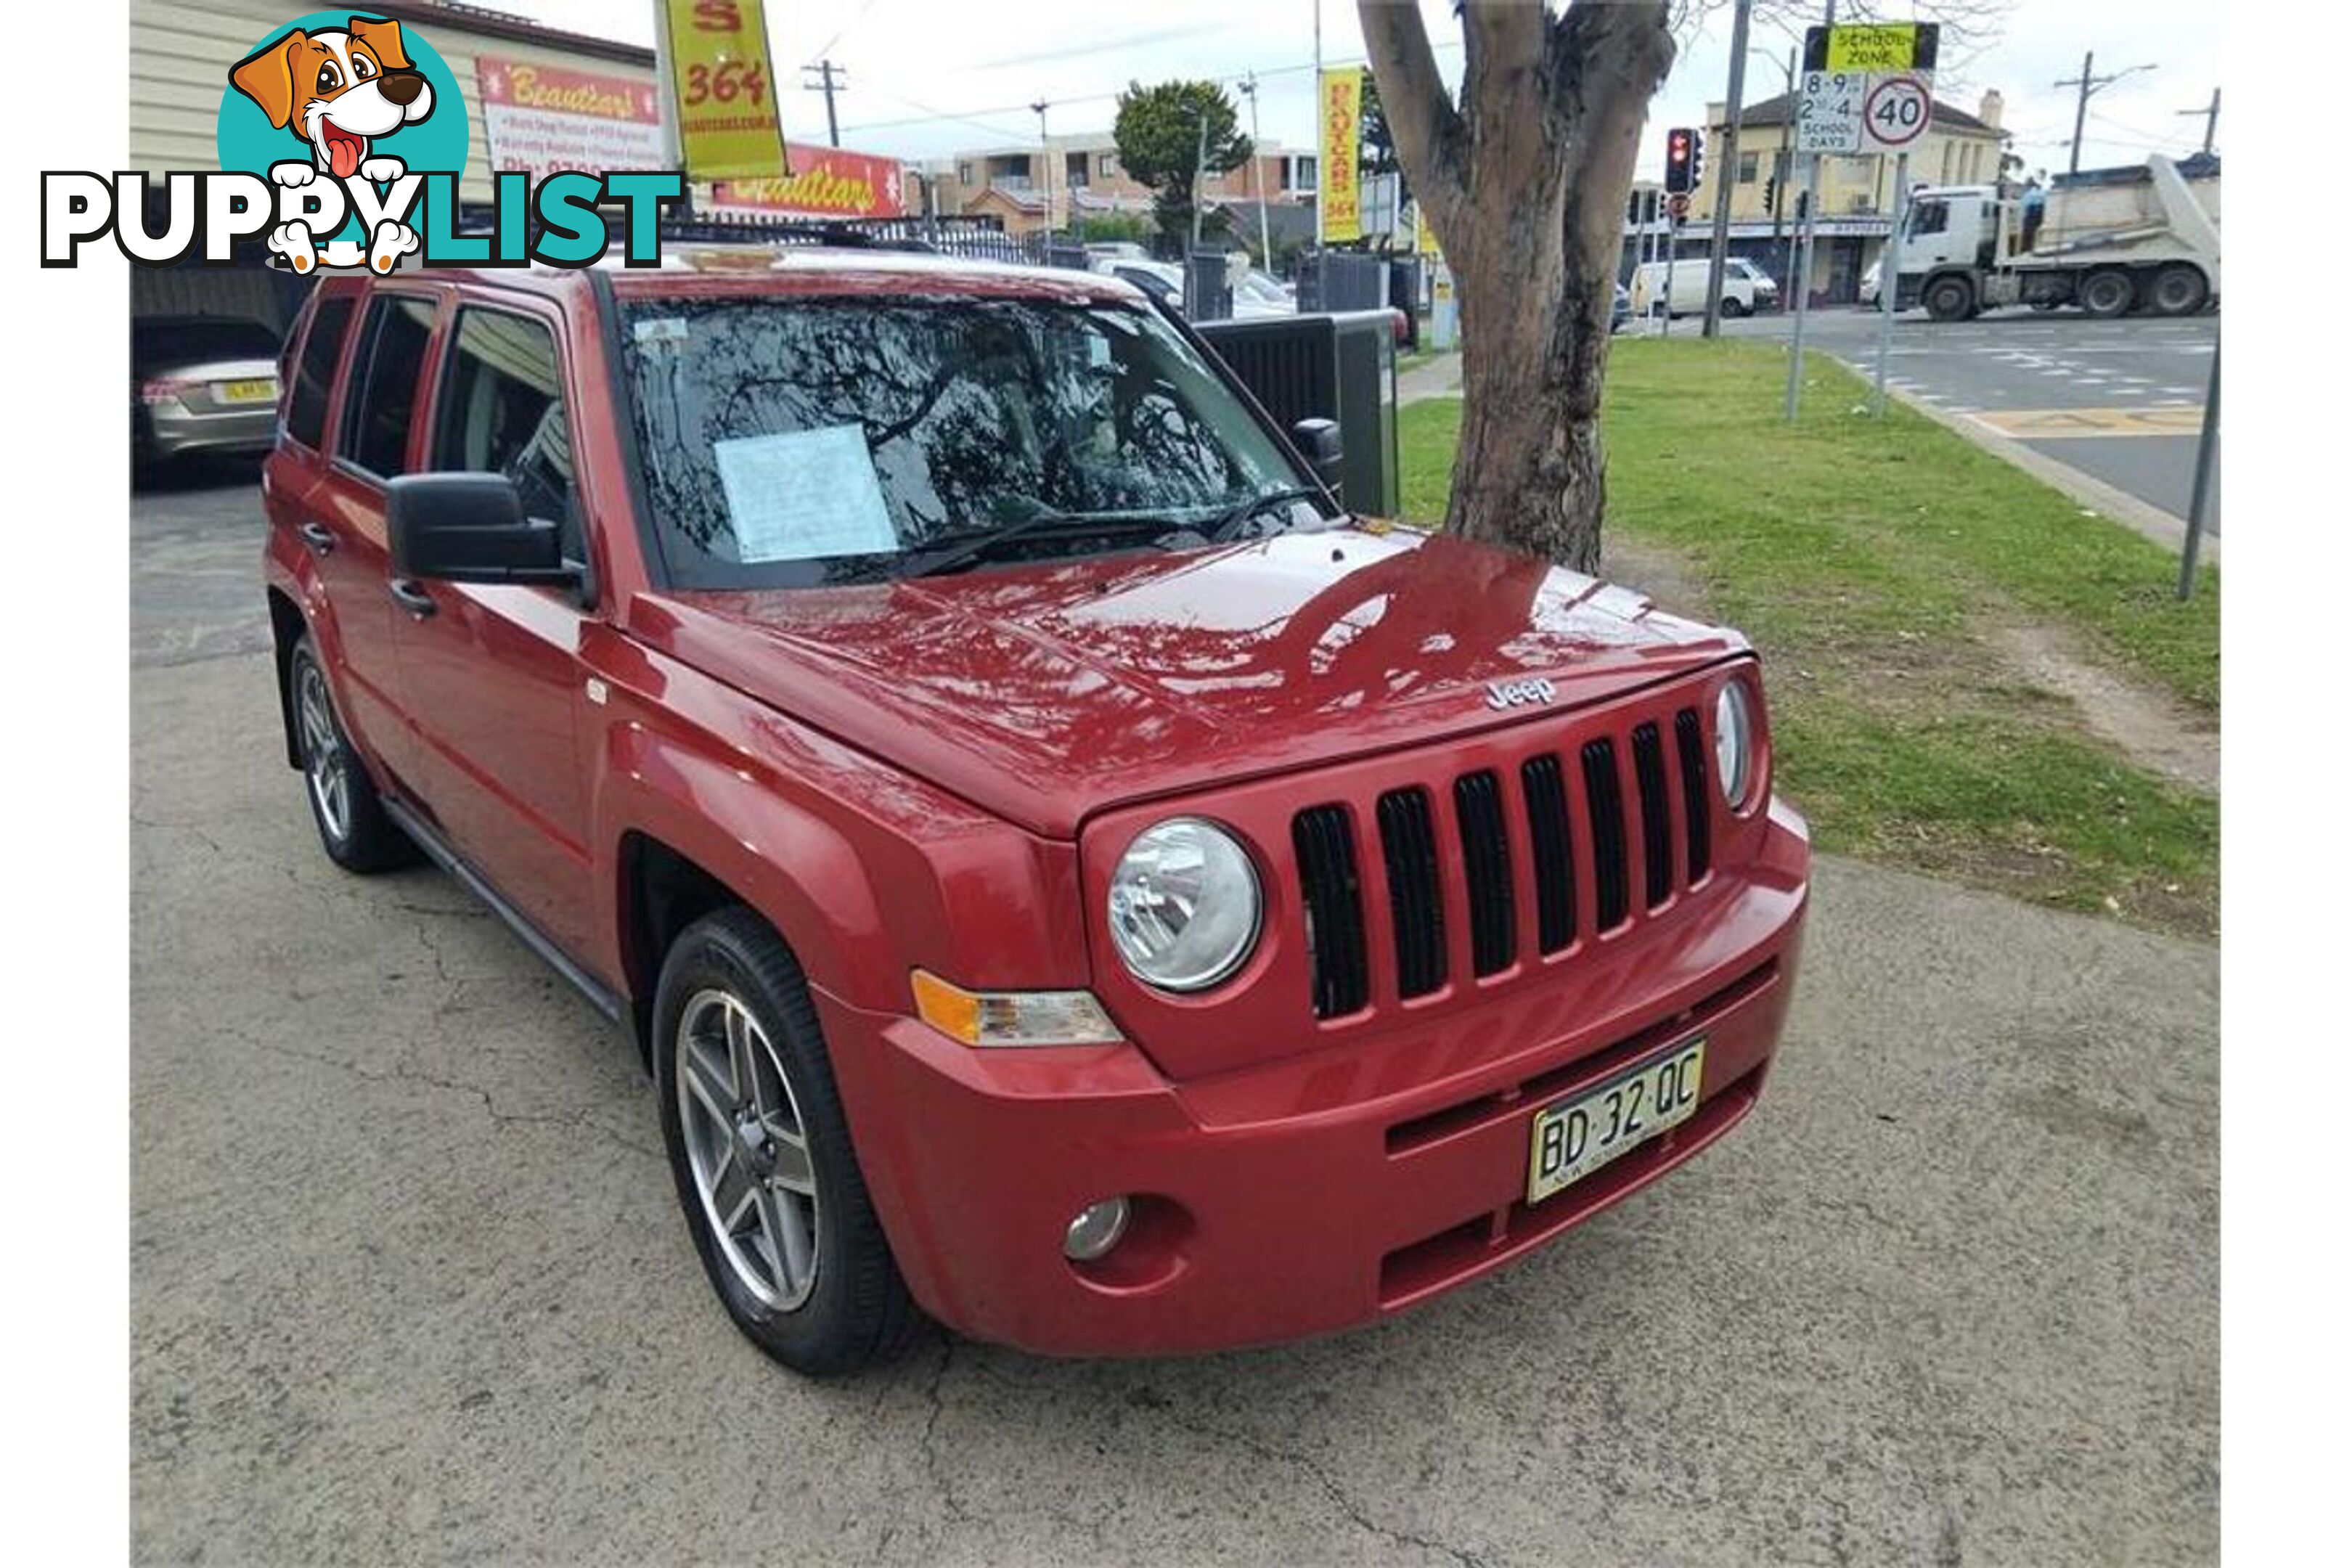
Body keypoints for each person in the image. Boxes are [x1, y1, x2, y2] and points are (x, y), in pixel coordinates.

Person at [2021, 175, 2047, 253]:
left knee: (2029, 234)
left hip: (2032, 214)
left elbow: (2025, 205)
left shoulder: (2029, 194)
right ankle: (2035, 247)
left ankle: (2029, 249)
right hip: (2040, 213)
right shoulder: (2042, 192)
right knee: (2037, 233)